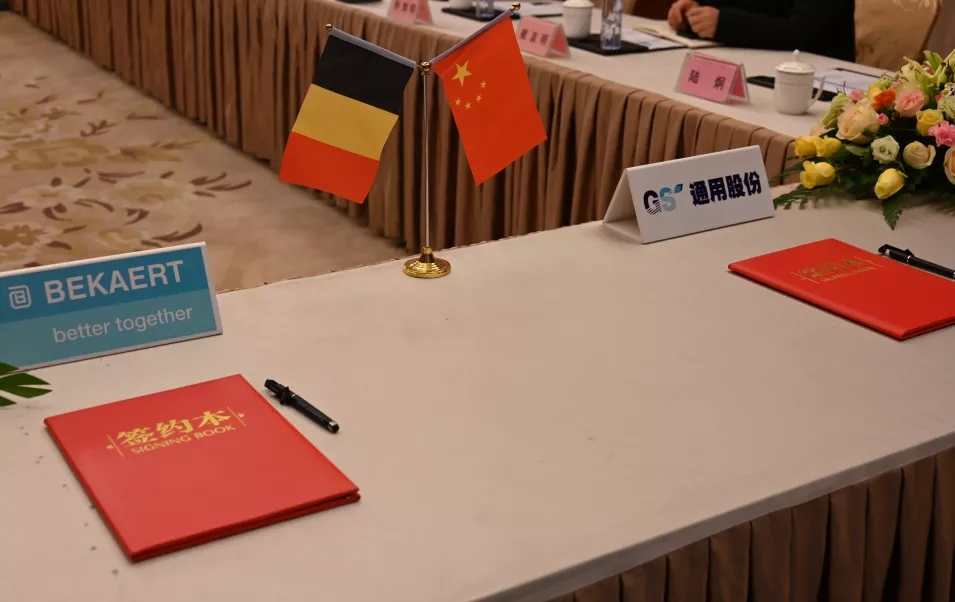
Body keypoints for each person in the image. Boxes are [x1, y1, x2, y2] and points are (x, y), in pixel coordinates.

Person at [666, 0, 856, 62]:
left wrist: (725, 23)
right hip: (746, 58)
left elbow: (804, 32)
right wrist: (693, 11)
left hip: (815, 75)